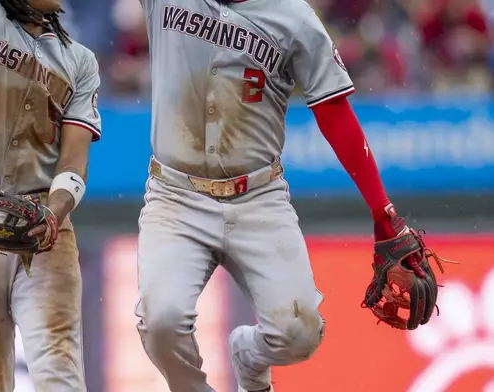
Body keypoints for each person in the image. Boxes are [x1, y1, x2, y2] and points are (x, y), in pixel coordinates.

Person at [135, 0, 446, 391]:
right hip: (175, 195)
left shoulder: (293, 16)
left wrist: (383, 214)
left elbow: (336, 114)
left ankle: (249, 355)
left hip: (257, 197)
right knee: (162, 323)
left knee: (298, 333)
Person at [0, 0, 101, 390]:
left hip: (44, 219)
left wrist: (54, 214)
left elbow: (73, 163)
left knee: (58, 366)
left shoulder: (80, 61)